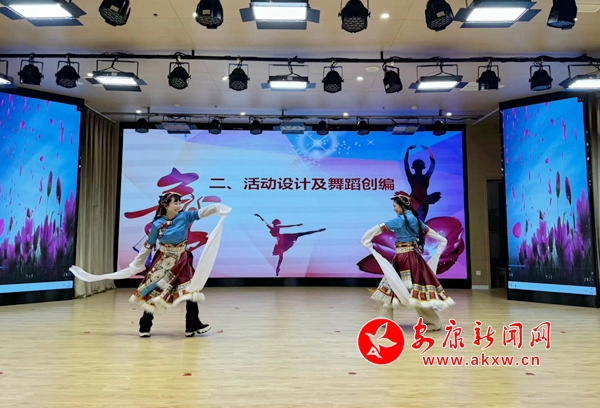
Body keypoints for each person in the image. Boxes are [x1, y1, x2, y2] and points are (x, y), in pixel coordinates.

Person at [69, 191, 232, 338]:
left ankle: (192, 324)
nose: (178, 205)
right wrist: (136, 264)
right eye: (175, 203)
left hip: (182, 260)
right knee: (154, 291)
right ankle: (145, 325)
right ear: (166, 205)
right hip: (164, 260)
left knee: (190, 290)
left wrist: (219, 208)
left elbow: (202, 212)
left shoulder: (185, 217)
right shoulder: (157, 224)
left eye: (179, 202)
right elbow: (148, 245)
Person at [361, 191, 454, 331]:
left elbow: (378, 228)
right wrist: (442, 241)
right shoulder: (416, 220)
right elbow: (432, 233)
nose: (394, 209)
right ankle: (433, 323)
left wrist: (366, 240)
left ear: (401, 206)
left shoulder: (400, 220)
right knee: (415, 292)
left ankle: (388, 322)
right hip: (415, 259)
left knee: (393, 287)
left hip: (403, 259)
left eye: (395, 206)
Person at [254, 214, 325, 276]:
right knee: (281, 254)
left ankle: (317, 231)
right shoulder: (272, 227)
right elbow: (264, 221)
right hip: (281, 240)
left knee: (300, 234)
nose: (277, 223)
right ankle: (278, 267)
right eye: (276, 222)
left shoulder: (276, 227)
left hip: (284, 238)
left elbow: (287, 226)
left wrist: (296, 225)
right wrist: (259, 216)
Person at [404, 145, 441, 222]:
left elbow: (406, 163)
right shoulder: (425, 177)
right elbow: (433, 164)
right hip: (420, 201)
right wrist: (428, 150)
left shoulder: (412, 177)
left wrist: (408, 150)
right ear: (423, 167)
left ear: (413, 167)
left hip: (418, 201)